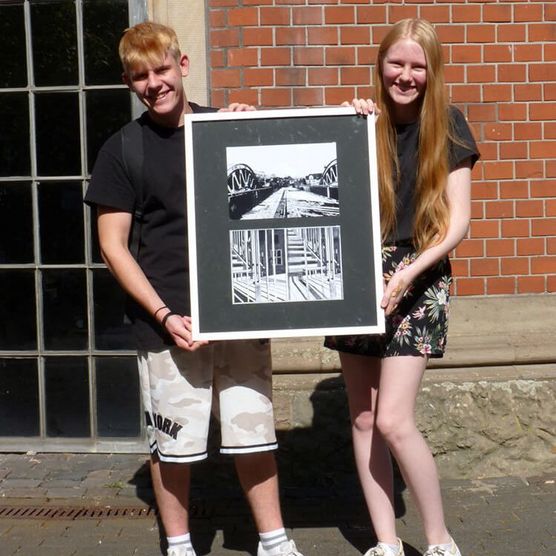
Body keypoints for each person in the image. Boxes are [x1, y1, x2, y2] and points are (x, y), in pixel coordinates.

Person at [85, 21, 303, 556]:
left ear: (182, 66)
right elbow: (113, 247)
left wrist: (256, 137)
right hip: (167, 323)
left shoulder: (222, 131)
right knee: (174, 448)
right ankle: (179, 546)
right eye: (140, 76)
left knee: (254, 438)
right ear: (129, 83)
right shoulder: (123, 149)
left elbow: (270, 191)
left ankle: (275, 543)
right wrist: (164, 317)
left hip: (239, 313)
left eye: (161, 69)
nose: (153, 83)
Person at [325, 18, 479, 556]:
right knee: (363, 417)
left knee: (392, 418)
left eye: (418, 66)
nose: (406, 76)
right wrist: (346, 126)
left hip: (421, 272)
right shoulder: (361, 124)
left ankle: (439, 541)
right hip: (359, 274)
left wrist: (407, 274)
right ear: (381, 66)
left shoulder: (451, 126)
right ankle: (386, 542)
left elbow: (457, 224)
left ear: (432, 72)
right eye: (397, 63)